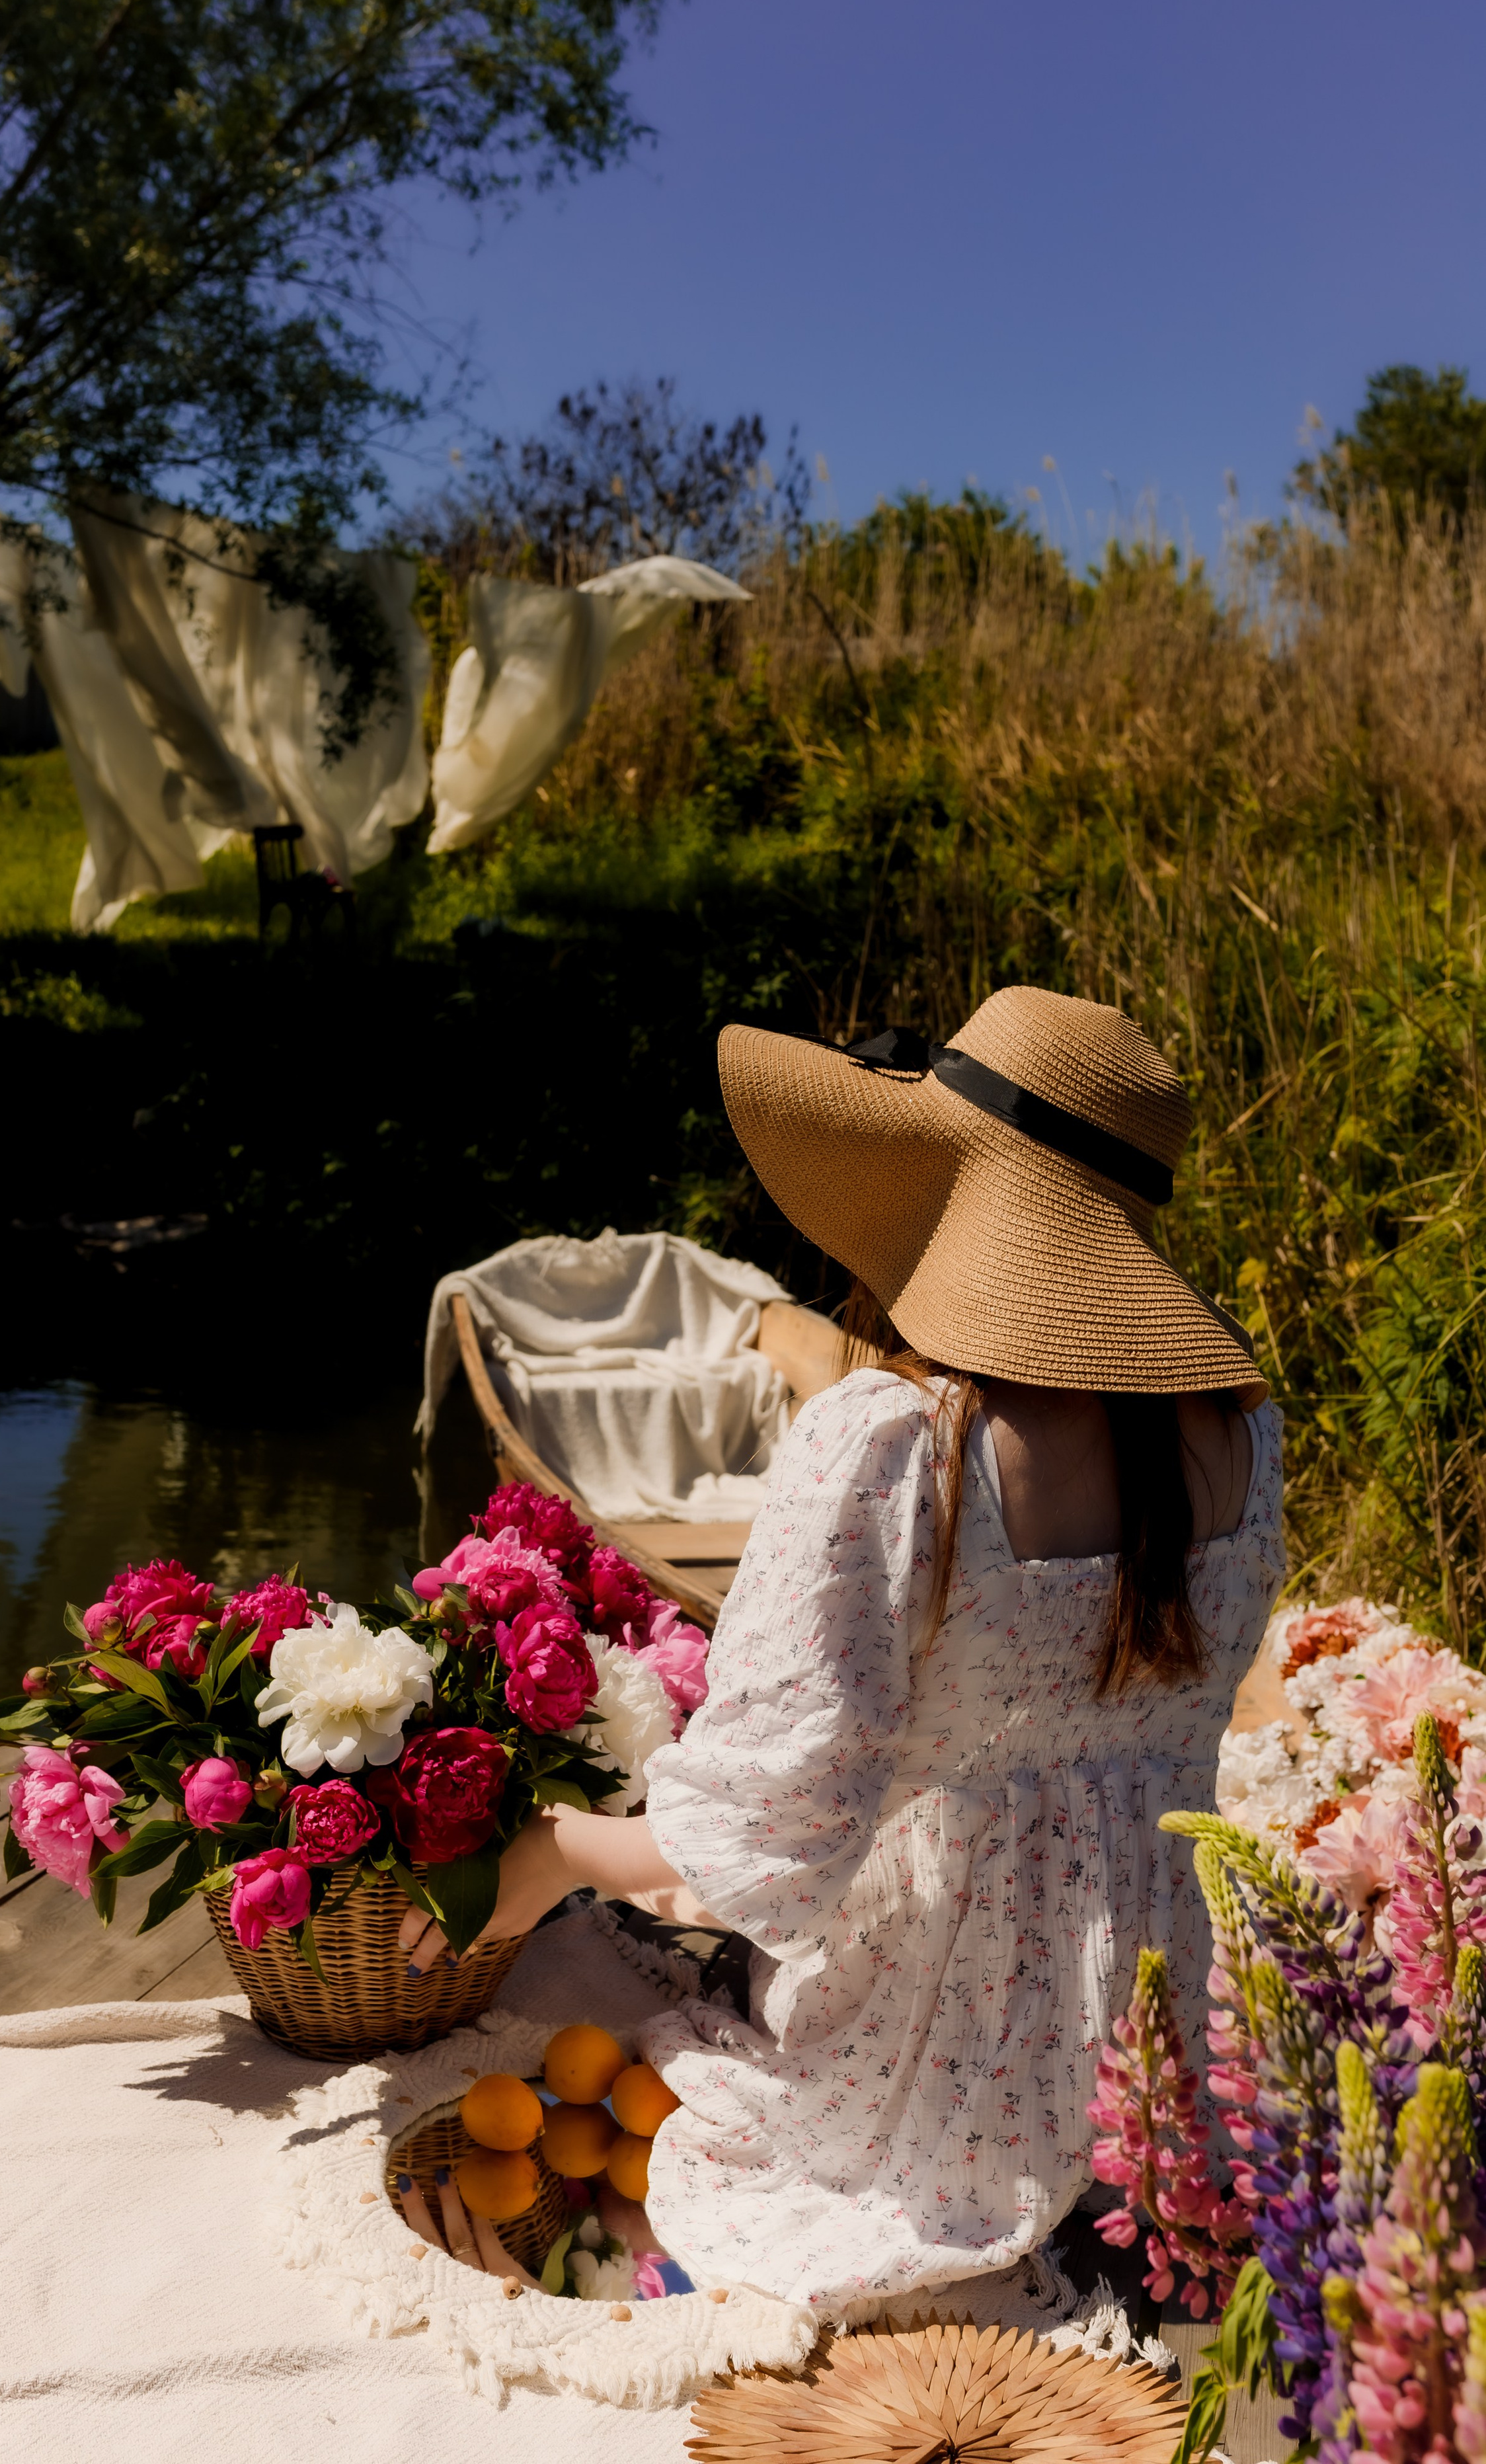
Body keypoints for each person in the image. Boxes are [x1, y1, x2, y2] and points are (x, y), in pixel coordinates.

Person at [397, 986, 1284, 2315]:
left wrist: (561, 1848)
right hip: (1141, 2036)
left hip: (928, 2044)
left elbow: (778, 1826)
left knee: (667, 2077)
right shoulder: (1237, 1429)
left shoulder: (898, 1443)